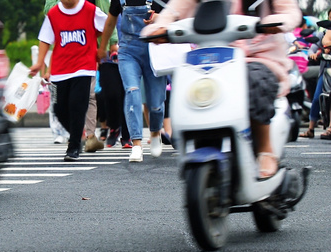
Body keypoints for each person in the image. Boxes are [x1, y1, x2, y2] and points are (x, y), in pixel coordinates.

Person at [142, 0, 302, 178]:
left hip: (259, 56)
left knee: (253, 79)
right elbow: (175, 8)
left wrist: (277, 21)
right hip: (212, 57)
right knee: (188, 84)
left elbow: (289, 11)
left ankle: (266, 150)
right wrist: (162, 25)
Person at [30, 0, 107, 161]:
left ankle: (73, 147)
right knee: (59, 109)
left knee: (77, 105)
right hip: (60, 69)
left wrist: (101, 47)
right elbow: (45, 39)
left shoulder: (90, 9)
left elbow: (107, 25)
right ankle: (78, 135)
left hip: (84, 67)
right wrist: (39, 63)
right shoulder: (53, 14)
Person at [98, 0, 168, 163]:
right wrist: (103, 47)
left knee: (156, 103)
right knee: (132, 91)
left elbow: (175, 17)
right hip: (128, 51)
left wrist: (158, 18)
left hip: (155, 49)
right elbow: (110, 21)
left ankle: (156, 132)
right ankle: (136, 143)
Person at [300, 9, 331, 139]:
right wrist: (313, 54)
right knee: (317, 97)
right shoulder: (324, 33)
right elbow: (314, 47)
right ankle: (311, 129)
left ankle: (329, 128)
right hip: (326, 70)